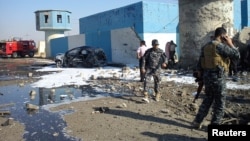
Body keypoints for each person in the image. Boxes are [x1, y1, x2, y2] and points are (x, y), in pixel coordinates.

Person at [192, 27, 240, 129]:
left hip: (207, 78)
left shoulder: (206, 46)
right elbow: (237, 55)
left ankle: (197, 122)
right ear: (222, 36)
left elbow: (199, 64)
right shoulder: (220, 47)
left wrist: (201, 76)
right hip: (218, 78)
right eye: (226, 36)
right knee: (219, 104)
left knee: (207, 100)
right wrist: (230, 43)